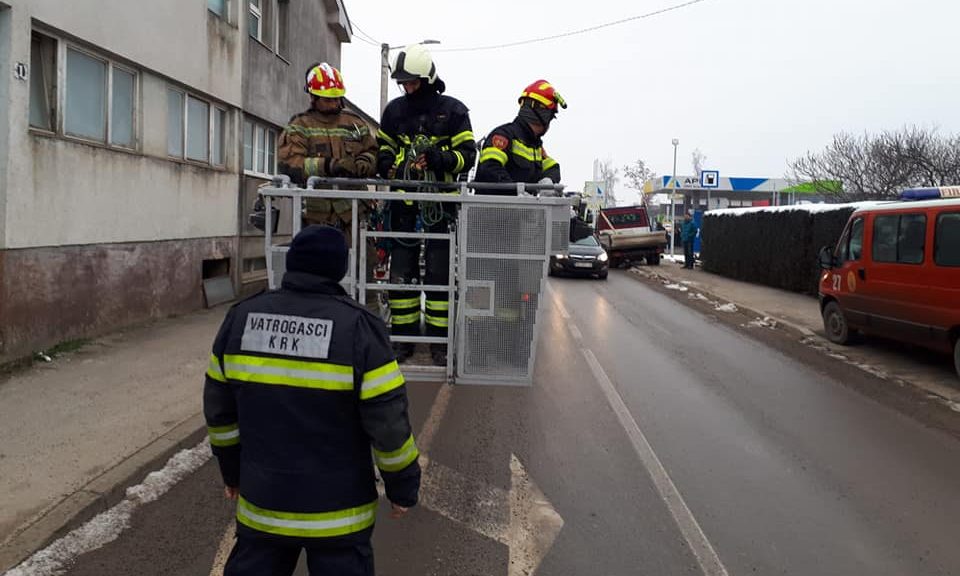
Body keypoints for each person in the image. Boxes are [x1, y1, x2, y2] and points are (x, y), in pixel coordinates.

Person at [204, 225, 420, 576]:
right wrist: (402, 487)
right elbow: (389, 426)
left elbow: (220, 414)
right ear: (340, 269)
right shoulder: (359, 327)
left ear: (291, 263)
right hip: (339, 518)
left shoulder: (242, 318)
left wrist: (232, 472)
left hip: (264, 508)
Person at [376, 44, 476, 366]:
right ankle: (403, 340)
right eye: (403, 83)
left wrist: (439, 159)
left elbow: (467, 157)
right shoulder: (394, 112)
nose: (407, 88)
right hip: (403, 206)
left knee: (438, 275)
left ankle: (439, 343)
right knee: (401, 274)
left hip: (440, 208)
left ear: (427, 78)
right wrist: (388, 164)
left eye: (412, 82)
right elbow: (384, 147)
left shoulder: (454, 111)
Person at [276, 62, 380, 310]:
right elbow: (290, 164)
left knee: (363, 276)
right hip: (316, 219)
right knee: (315, 278)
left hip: (354, 218)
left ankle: (368, 321)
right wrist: (329, 166)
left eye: (336, 98)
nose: (333, 103)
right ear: (313, 97)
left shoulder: (355, 124)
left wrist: (365, 162)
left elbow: (374, 152)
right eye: (327, 99)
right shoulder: (300, 125)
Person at [475, 79, 565, 189]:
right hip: (494, 201)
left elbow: (553, 168)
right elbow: (490, 168)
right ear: (543, 115)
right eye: (551, 117)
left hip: (522, 200)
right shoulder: (503, 136)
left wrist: (549, 180)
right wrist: (518, 193)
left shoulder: (535, 147)